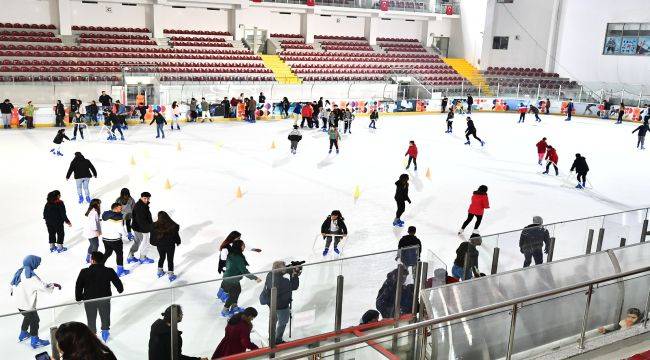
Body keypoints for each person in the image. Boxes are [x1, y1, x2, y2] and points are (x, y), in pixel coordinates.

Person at [11, 255, 60, 349]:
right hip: (27, 305)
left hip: (19, 304)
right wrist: (53, 285)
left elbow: (12, 286)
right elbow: (44, 288)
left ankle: (23, 334)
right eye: (37, 263)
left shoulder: (19, 271)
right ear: (32, 262)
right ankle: (35, 340)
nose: (38, 264)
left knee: (27, 316)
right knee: (35, 320)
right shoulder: (31, 276)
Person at [75, 251, 124, 342]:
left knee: (91, 317)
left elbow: (79, 285)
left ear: (92, 261)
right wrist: (120, 289)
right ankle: (105, 332)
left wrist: (79, 297)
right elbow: (119, 284)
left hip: (89, 299)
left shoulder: (84, 271)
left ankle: (92, 334)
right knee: (105, 315)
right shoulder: (109, 271)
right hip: (104, 298)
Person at [260, 261, 300, 344]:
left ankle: (271, 337)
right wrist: (294, 275)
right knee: (283, 322)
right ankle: (278, 340)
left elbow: (280, 274)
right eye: (284, 267)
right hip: (282, 306)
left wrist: (288, 270)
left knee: (273, 321)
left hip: (272, 303)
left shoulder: (270, 274)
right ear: (281, 269)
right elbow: (294, 286)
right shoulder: (284, 281)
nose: (285, 267)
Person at [220, 240, 262, 317]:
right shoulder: (238, 257)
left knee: (236, 291)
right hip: (232, 279)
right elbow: (244, 271)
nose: (244, 247)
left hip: (229, 278)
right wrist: (255, 278)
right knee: (233, 295)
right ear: (239, 246)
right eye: (243, 245)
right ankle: (225, 310)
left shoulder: (232, 254)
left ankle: (234, 307)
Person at [150, 211, 181, 281]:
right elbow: (176, 235)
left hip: (160, 246)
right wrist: (178, 241)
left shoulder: (154, 225)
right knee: (170, 259)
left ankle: (160, 271)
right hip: (170, 245)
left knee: (161, 257)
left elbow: (152, 237)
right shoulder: (172, 225)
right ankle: (170, 275)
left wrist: (155, 243)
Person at [101, 203, 130, 277]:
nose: (121, 210)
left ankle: (99, 266)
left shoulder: (105, 214)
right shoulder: (118, 217)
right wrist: (127, 235)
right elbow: (120, 229)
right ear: (115, 208)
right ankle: (120, 271)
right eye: (120, 208)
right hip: (115, 240)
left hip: (105, 239)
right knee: (119, 254)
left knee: (108, 252)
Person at [129, 192, 155, 265]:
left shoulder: (142, 204)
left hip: (137, 227)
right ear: (141, 197)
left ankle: (130, 256)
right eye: (145, 198)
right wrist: (149, 228)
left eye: (148, 198)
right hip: (142, 228)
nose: (146, 200)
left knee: (137, 241)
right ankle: (142, 258)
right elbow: (141, 220)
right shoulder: (140, 207)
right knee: (145, 242)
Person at [84, 199, 102, 263]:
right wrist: (96, 230)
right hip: (92, 232)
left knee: (92, 244)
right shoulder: (94, 212)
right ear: (96, 204)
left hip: (89, 231)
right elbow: (93, 223)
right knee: (96, 245)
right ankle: (94, 260)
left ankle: (88, 257)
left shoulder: (91, 211)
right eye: (99, 203)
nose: (100, 205)